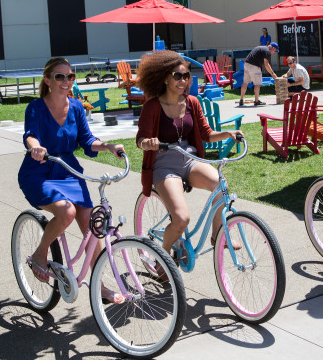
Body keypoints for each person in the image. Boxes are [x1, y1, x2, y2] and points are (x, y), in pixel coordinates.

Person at [19, 57, 126, 303]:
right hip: (39, 170)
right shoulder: (35, 107)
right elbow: (31, 135)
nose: (66, 82)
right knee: (66, 213)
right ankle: (40, 252)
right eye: (60, 77)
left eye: (70, 76)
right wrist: (35, 148)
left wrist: (108, 146)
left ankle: (99, 284)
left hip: (68, 170)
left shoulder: (76, 107)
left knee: (92, 226)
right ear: (47, 80)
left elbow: (87, 140)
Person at [136, 51, 244, 259]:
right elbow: (140, 139)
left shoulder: (192, 102)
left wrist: (228, 133)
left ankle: (218, 235)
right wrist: (148, 143)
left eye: (186, 76)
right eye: (177, 76)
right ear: (165, 78)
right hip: (164, 166)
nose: (183, 80)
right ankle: (163, 257)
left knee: (220, 187)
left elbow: (206, 134)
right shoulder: (152, 106)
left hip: (191, 161)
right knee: (181, 219)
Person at [238, 42, 279, 107]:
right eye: (275, 50)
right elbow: (266, 64)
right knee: (257, 83)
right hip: (254, 66)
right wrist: (272, 74)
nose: (274, 52)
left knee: (245, 82)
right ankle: (256, 101)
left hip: (246, 64)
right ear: (272, 47)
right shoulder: (267, 51)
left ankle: (241, 99)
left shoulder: (262, 48)